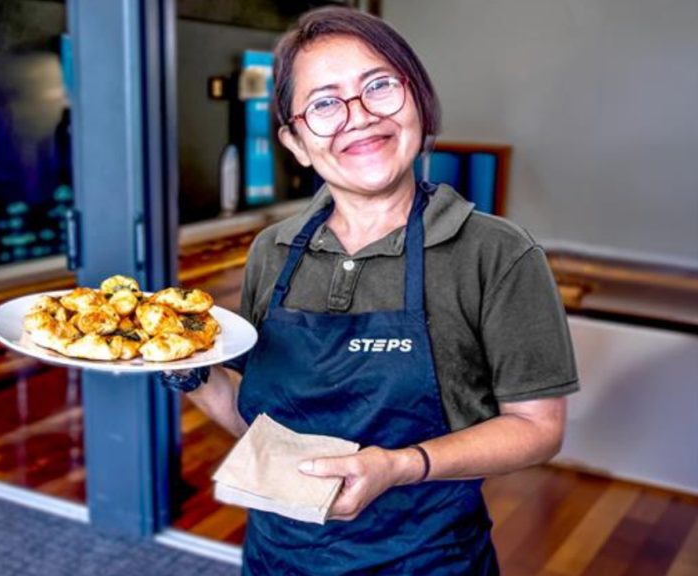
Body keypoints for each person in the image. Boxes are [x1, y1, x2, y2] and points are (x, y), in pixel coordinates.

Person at [161, 6, 578, 575]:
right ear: (296, 142)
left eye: (379, 86)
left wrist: (401, 466)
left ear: (419, 101)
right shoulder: (273, 251)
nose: (358, 117)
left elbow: (537, 427)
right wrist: (183, 364)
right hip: (277, 559)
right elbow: (260, 424)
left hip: (429, 560)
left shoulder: (497, 252)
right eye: (325, 103)